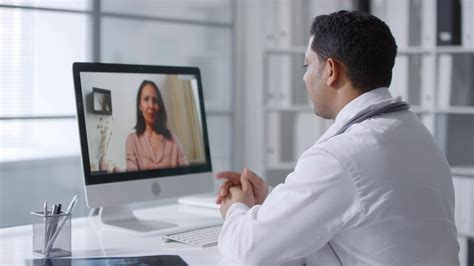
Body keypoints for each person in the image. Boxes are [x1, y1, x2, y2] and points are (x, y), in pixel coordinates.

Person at [216, 11, 459, 265]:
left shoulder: (341, 156)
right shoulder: (414, 133)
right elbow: (356, 202)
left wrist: (236, 207)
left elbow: (247, 249)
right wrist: (270, 197)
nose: (304, 77)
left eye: (307, 65)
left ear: (331, 70)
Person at [126, 80, 189, 171]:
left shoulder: (173, 140)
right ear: (140, 106)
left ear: (159, 106)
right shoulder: (132, 141)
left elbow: (186, 176)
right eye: (146, 99)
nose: (151, 105)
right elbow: (133, 180)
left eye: (155, 100)